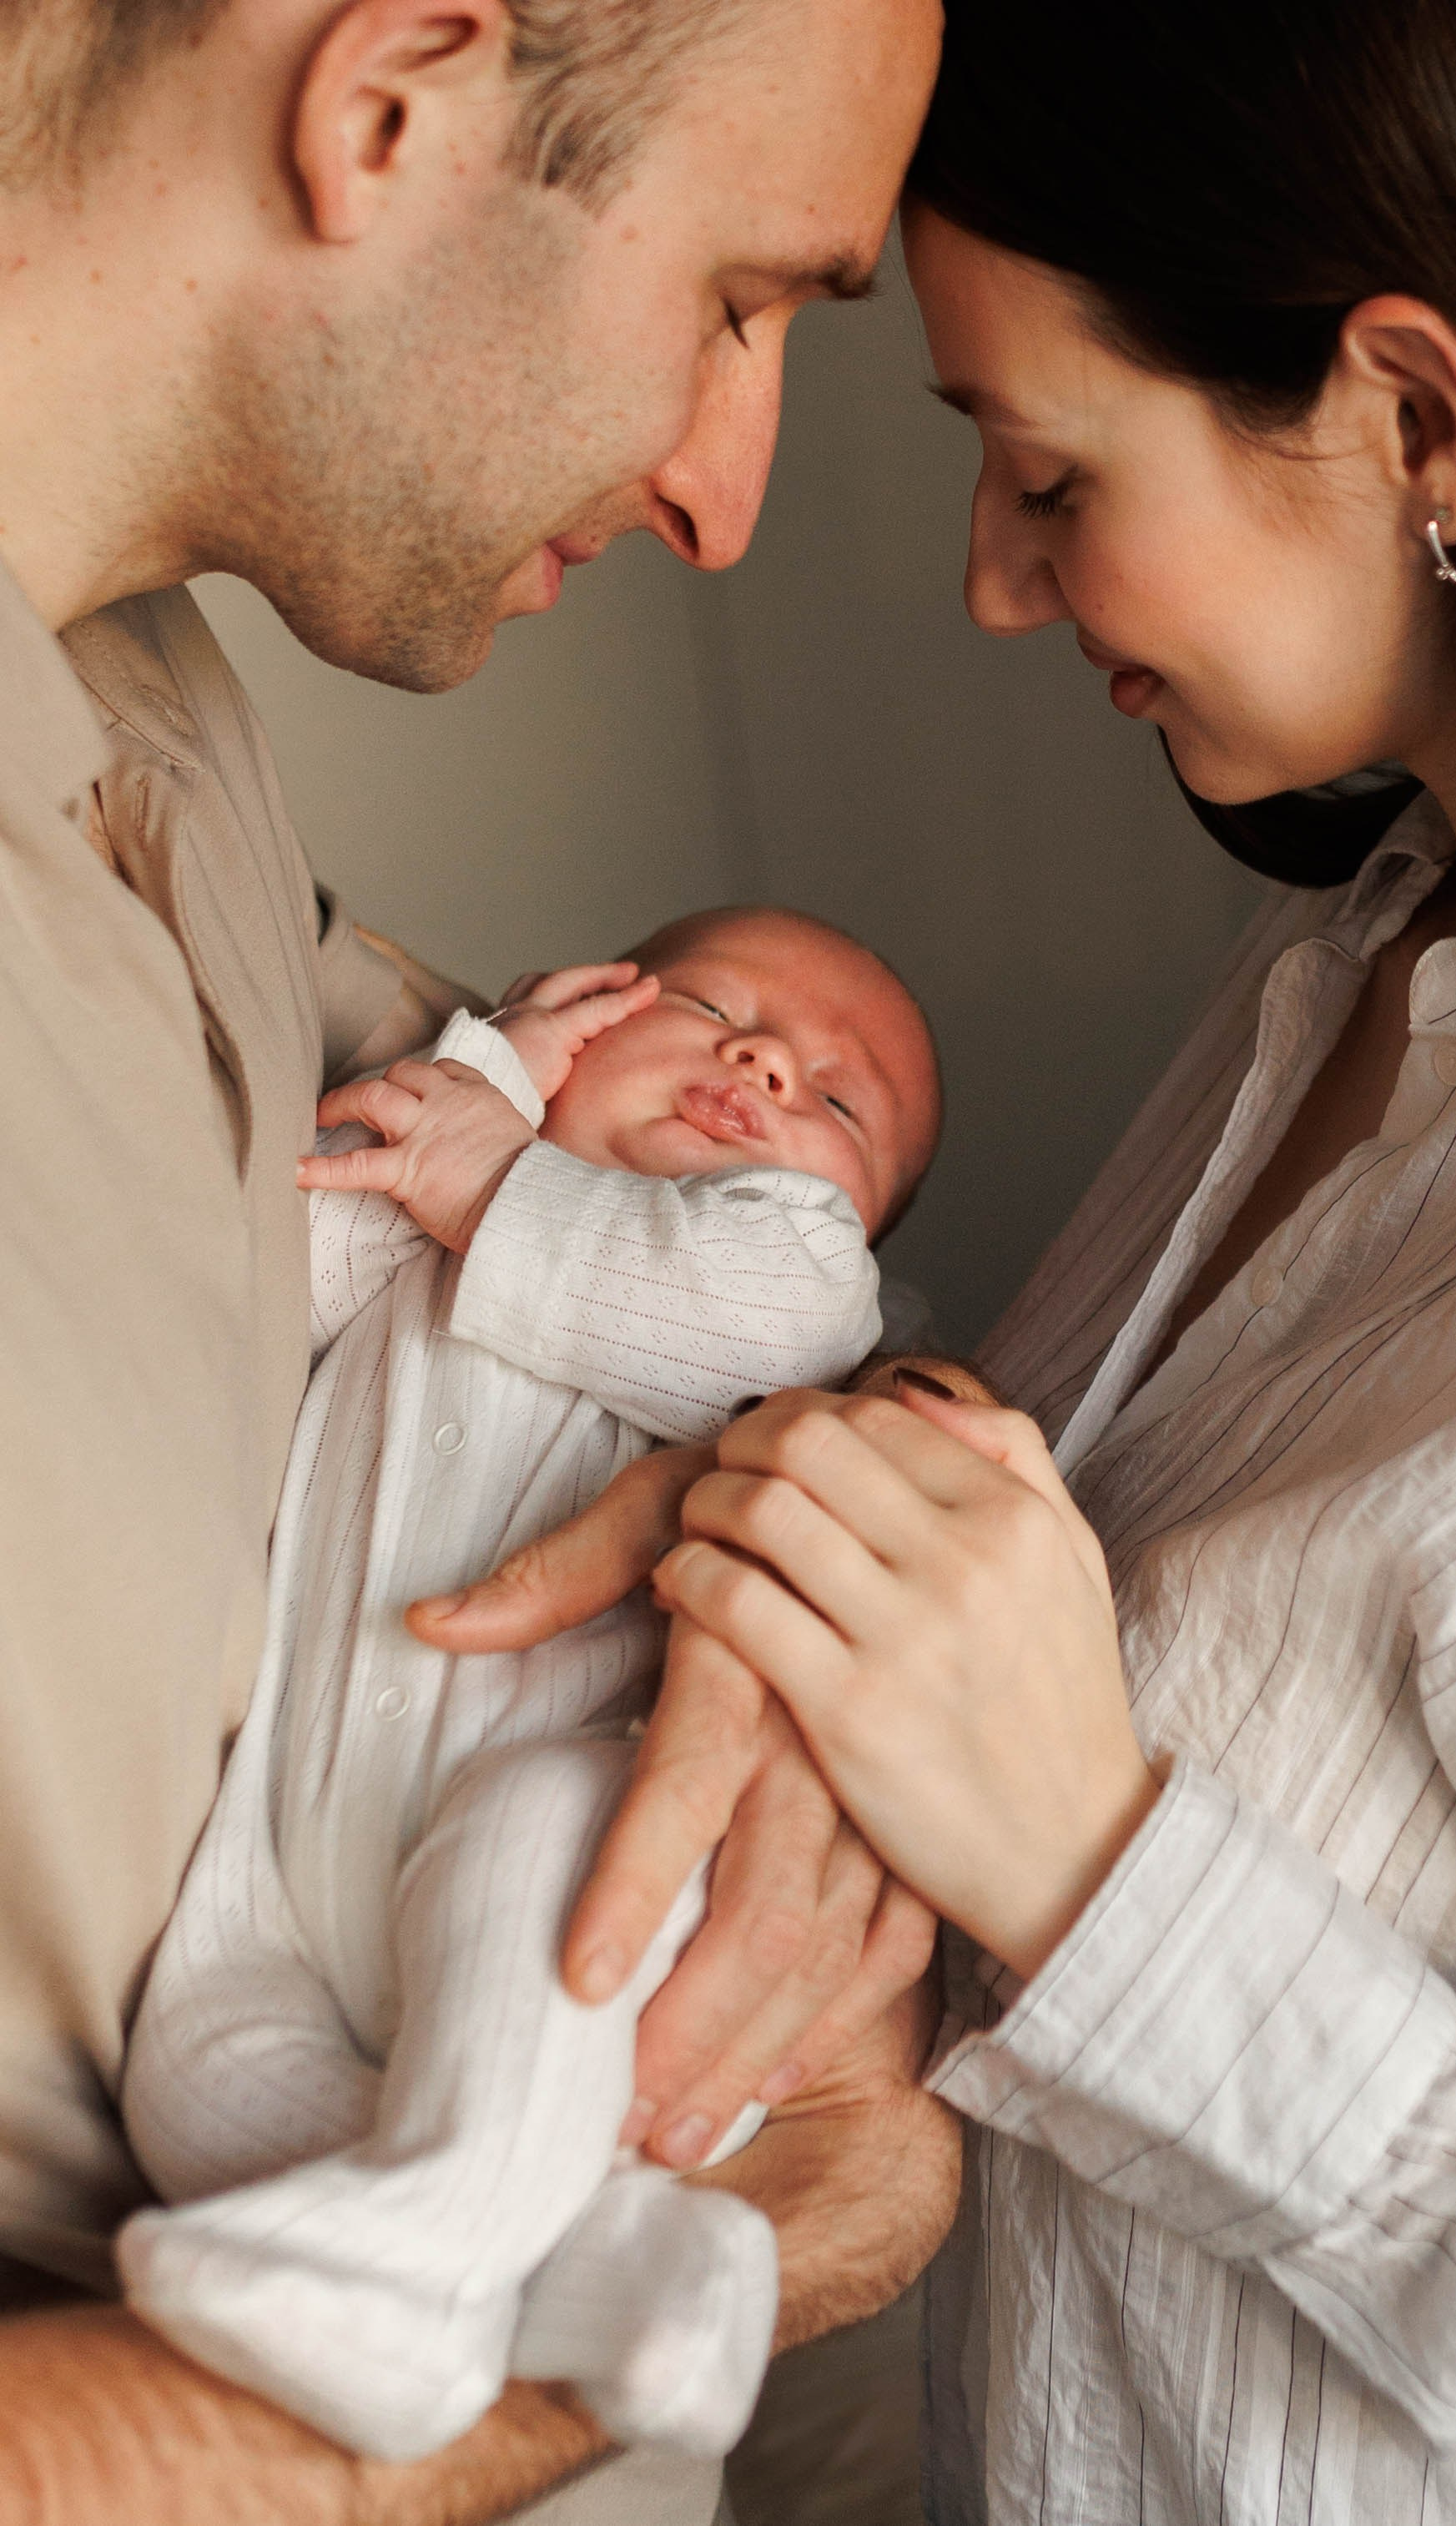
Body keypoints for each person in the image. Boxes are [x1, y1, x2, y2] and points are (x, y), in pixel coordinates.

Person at [461, 0, 1456, 2516]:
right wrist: (803, 1493)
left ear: (1419, 423)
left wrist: (1095, 1864)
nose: (995, 586)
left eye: (1043, 469)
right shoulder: (1346, 970)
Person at [0, 6, 955, 2523]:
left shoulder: (151, 711)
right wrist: (727, 2254)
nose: (732, 504)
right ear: (387, 97)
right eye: (746, 300)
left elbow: (535, 1169)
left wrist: (829, 1489)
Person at [118, 910, 940, 2468]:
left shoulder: (795, 1277)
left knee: (537, 1821)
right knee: (191, 2076)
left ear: (867, 1224)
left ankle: (421, 2251)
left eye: (839, 1103)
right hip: (291, 1851)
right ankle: (624, 2268)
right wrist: (476, 1085)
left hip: (579, 1822)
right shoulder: (446, 1185)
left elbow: (764, 1319)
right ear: (575, 1026)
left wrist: (500, 1176)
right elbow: (263, 1299)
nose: (762, 1059)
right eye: (702, 1004)